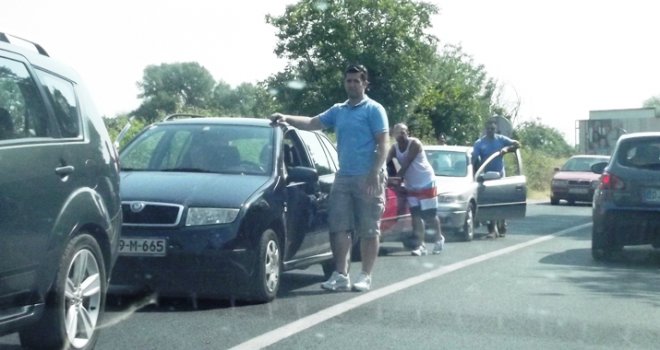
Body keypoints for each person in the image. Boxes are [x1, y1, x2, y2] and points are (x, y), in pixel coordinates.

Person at [270, 64, 389, 292]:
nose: (352, 84)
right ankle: (341, 274)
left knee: (368, 228)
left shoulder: (374, 110)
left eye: (356, 81)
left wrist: (375, 171)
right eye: (349, 80)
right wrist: (286, 118)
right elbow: (314, 123)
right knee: (338, 227)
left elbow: (383, 142)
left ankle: (365, 275)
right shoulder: (339, 110)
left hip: (368, 176)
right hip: (343, 176)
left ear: (365, 84)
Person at [387, 123, 444, 256]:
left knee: (429, 215)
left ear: (408, 133)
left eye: (403, 132)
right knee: (415, 215)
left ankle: (438, 239)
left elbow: (406, 163)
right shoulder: (394, 148)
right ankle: (421, 244)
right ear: (393, 134)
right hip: (411, 184)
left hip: (426, 181)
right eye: (398, 132)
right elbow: (385, 160)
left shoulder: (415, 144)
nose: (401, 135)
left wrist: (397, 178)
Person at [472, 119, 520, 238]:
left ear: (496, 130)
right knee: (490, 202)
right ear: (485, 130)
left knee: (500, 201)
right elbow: (473, 160)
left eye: (492, 129)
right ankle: (492, 230)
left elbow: (517, 144)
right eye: (488, 129)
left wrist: (506, 149)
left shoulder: (501, 139)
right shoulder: (479, 143)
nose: (490, 131)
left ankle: (502, 223)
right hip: (487, 176)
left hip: (500, 175)